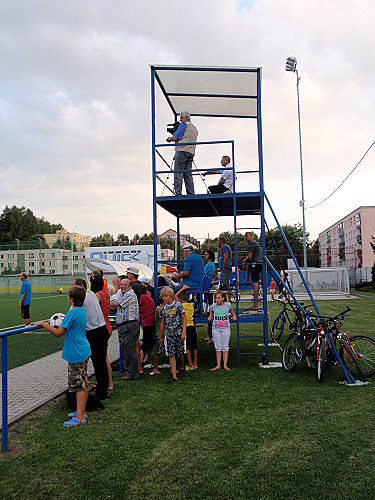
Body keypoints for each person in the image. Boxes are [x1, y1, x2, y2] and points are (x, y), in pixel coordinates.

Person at [35, 285, 91, 427]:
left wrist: (43, 324)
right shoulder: (81, 311)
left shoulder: (72, 313)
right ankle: (81, 412)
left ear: (71, 299)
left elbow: (58, 333)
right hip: (83, 350)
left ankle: (79, 417)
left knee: (79, 386)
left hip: (76, 353)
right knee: (83, 383)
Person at [74, 279, 109, 400]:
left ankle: (93, 390)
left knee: (96, 362)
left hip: (94, 332)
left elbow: (73, 314)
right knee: (101, 363)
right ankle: (102, 390)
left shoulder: (83, 299)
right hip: (101, 330)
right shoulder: (91, 294)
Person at [111, 278, 140, 381]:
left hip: (129, 325)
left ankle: (132, 374)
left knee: (129, 351)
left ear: (130, 286)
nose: (122, 286)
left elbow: (116, 304)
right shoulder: (122, 294)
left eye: (125, 285)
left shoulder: (130, 294)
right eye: (121, 284)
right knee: (126, 350)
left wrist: (105, 302)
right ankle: (131, 372)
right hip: (125, 325)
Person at [166, 111, 198, 196]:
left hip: (182, 151)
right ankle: (191, 193)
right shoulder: (194, 128)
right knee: (188, 174)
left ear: (186, 117)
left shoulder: (184, 125)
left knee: (178, 172)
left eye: (181, 117)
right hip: (191, 152)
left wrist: (169, 139)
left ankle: (178, 193)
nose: (180, 120)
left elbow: (175, 137)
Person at [90, 274, 113, 391]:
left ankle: (108, 383)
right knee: (104, 357)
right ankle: (108, 382)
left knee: (103, 358)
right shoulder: (105, 294)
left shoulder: (97, 295)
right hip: (106, 324)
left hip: (101, 326)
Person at [159, 287, 186, 383]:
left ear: (170, 296)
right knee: (171, 354)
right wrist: (160, 336)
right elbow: (162, 322)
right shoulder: (163, 308)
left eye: (165, 296)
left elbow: (184, 319)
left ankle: (182, 366)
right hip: (169, 334)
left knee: (180, 352)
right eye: (163, 297)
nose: (164, 298)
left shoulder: (178, 305)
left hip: (178, 333)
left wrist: (183, 332)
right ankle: (174, 376)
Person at [208, 290, 237, 372]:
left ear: (223, 298)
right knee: (218, 347)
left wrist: (234, 316)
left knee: (225, 347)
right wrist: (210, 317)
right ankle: (218, 365)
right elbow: (210, 315)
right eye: (216, 298)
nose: (217, 300)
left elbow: (233, 313)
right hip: (216, 329)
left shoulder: (228, 305)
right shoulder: (213, 306)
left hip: (225, 329)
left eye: (219, 298)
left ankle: (225, 364)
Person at [177, 291, 197, 370]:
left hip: (186, 327)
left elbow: (175, 296)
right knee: (194, 347)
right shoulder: (191, 306)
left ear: (180, 300)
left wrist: (182, 288)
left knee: (187, 347)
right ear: (188, 299)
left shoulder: (181, 306)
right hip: (192, 326)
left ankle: (190, 364)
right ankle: (195, 363)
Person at [243, 232, 263, 311]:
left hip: (256, 264)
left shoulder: (251, 243)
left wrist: (245, 259)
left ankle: (255, 304)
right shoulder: (255, 243)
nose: (245, 237)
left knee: (255, 283)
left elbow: (250, 256)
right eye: (245, 236)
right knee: (249, 265)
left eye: (247, 236)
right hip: (258, 263)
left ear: (251, 236)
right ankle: (248, 279)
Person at [138, 287, 155, 365]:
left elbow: (135, 306)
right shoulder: (147, 297)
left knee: (146, 341)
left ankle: (143, 358)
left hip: (147, 322)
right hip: (150, 321)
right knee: (149, 340)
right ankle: (146, 357)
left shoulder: (141, 297)